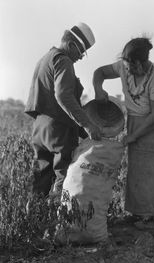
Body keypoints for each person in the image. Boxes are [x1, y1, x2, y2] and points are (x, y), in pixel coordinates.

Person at [92, 36, 154, 228]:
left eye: (133, 67)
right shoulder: (122, 67)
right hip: (138, 121)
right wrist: (98, 89)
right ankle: (141, 213)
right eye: (126, 67)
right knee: (139, 169)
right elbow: (99, 72)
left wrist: (133, 136)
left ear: (143, 63)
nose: (129, 71)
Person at [25, 22, 102, 200]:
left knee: (42, 179)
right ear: (71, 45)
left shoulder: (46, 58)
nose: (81, 57)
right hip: (58, 129)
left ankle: (36, 220)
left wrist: (83, 132)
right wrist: (88, 125)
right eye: (81, 51)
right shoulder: (63, 60)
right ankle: (61, 224)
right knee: (64, 177)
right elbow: (64, 96)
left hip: (40, 129)